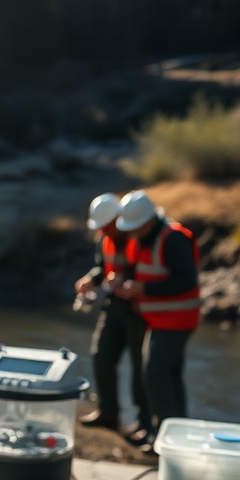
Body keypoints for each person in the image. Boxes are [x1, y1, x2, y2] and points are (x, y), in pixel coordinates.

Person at [110, 190, 201, 449]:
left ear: (148, 221)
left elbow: (186, 280)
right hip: (160, 319)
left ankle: (164, 437)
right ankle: (178, 437)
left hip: (177, 320)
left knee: (156, 373)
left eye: (135, 227)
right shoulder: (146, 238)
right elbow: (137, 267)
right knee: (170, 376)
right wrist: (122, 279)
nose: (132, 232)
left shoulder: (173, 240)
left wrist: (142, 290)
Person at [74, 193, 152, 434]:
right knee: (101, 355)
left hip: (138, 309)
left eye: (105, 226)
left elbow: (147, 269)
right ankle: (108, 413)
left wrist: (126, 280)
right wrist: (91, 278)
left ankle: (145, 424)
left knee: (141, 367)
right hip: (113, 306)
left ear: (117, 219)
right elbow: (102, 266)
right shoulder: (104, 239)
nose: (103, 231)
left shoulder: (138, 236)